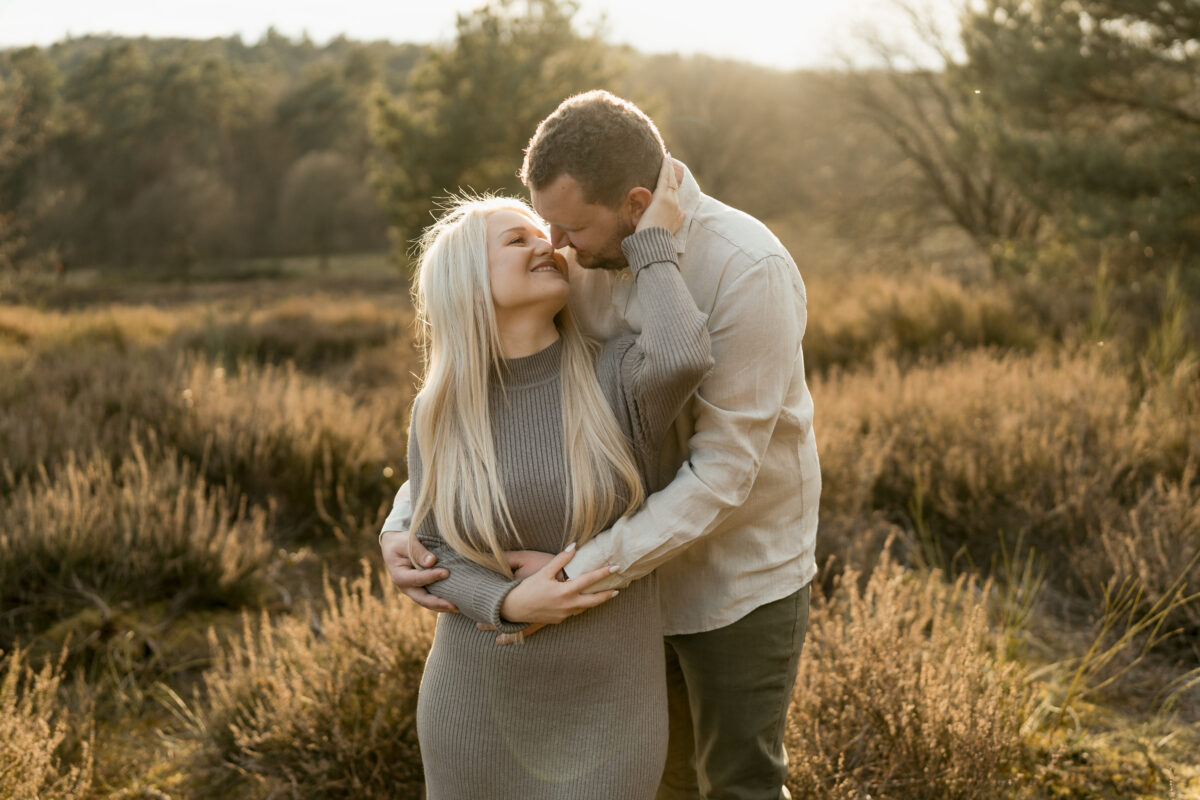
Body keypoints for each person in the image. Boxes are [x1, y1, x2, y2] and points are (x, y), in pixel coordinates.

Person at [383, 91, 820, 800]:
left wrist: (576, 576)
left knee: (736, 782)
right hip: (604, 608)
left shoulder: (748, 270)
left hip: (728, 576)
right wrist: (401, 525)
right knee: (661, 785)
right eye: (539, 225)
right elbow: (476, 412)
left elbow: (721, 475)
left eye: (570, 228)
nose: (555, 244)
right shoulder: (571, 251)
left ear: (636, 203)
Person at [401, 154, 713, 799]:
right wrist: (509, 603)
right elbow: (429, 547)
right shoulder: (441, 409)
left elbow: (685, 354)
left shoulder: (617, 373)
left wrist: (650, 240)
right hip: (474, 704)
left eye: (544, 234)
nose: (546, 245)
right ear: (465, 279)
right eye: (517, 239)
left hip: (610, 710)